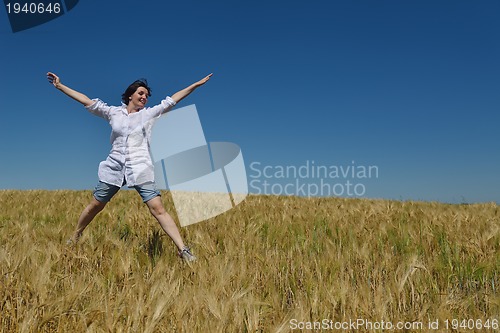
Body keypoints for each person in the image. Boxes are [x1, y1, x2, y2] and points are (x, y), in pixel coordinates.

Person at [47, 71, 213, 261]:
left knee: (157, 207)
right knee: (96, 205)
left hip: (140, 166)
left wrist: (196, 84)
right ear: (130, 95)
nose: (144, 97)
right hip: (114, 166)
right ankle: (75, 236)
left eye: (146, 95)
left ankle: (183, 249)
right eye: (141, 93)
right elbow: (86, 101)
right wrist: (60, 86)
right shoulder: (112, 113)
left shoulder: (149, 114)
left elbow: (173, 99)